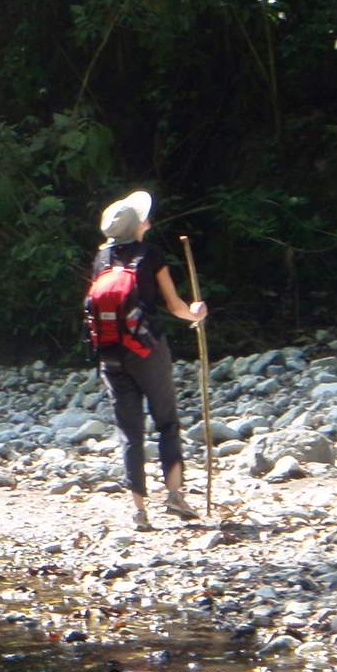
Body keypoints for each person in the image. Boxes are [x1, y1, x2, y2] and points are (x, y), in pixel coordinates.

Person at [91, 190, 208, 531]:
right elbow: (174, 306)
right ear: (139, 225)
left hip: (110, 354)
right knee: (167, 422)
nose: (149, 219)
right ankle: (174, 496)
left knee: (130, 433)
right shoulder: (151, 255)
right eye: (144, 216)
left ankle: (138, 511)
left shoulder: (100, 260)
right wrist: (195, 315)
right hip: (147, 350)